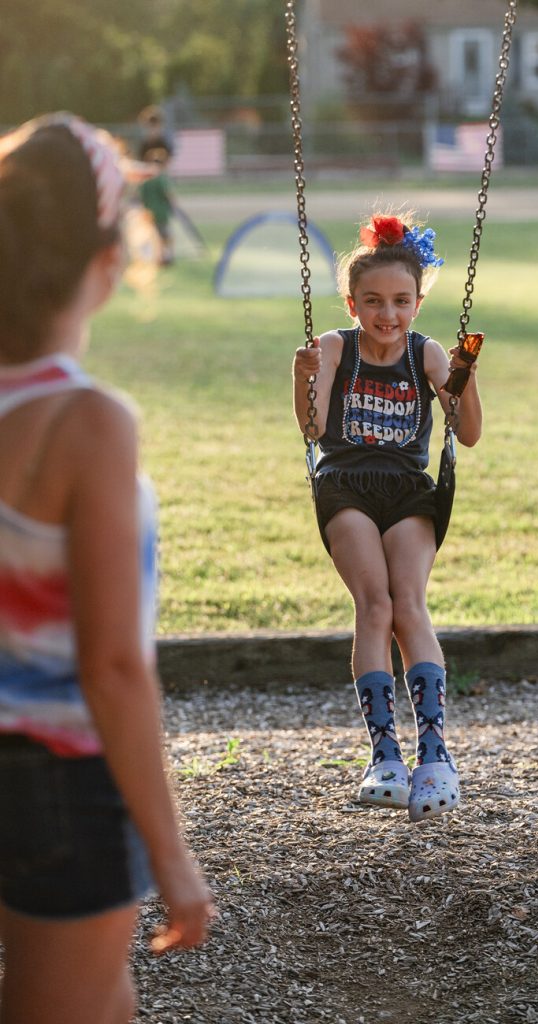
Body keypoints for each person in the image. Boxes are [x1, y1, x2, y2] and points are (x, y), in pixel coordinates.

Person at [0, 114, 213, 1023]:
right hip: (55, 783)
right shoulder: (87, 422)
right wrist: (173, 857)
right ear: (106, 255)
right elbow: (113, 668)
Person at [292, 212, 482, 823]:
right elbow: (313, 428)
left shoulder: (426, 354)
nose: (387, 314)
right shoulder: (333, 348)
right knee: (374, 605)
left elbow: (469, 434)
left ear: (418, 304)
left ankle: (435, 752)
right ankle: (385, 754)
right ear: (352, 302)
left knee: (409, 606)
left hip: (408, 492)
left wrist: (463, 377)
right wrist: (303, 379)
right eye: (373, 301)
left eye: (401, 301)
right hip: (344, 483)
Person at [139, 146, 175, 266]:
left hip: (148, 213)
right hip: (161, 212)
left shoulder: (145, 179)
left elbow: (140, 197)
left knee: (152, 237)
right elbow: (168, 194)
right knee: (165, 236)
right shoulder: (161, 178)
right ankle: (166, 257)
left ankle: (154, 258)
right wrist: (174, 206)